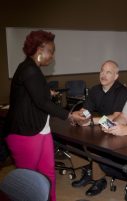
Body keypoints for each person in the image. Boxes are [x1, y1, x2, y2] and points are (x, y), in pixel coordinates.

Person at [3, 30, 86, 201]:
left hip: (41, 129)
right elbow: (41, 103)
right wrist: (69, 115)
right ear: (40, 50)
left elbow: (35, 95)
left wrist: (46, 92)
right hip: (25, 133)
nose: (53, 56)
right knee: (29, 183)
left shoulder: (32, 68)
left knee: (48, 173)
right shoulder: (29, 70)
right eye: (51, 51)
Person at [72, 60, 127, 196]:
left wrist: (91, 121)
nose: (103, 75)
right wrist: (80, 117)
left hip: (120, 130)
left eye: (108, 72)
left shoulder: (122, 91)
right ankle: (88, 170)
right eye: (102, 71)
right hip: (102, 127)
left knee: (95, 142)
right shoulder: (95, 89)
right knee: (75, 137)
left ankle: (99, 179)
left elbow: (115, 117)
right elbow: (85, 110)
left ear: (116, 76)